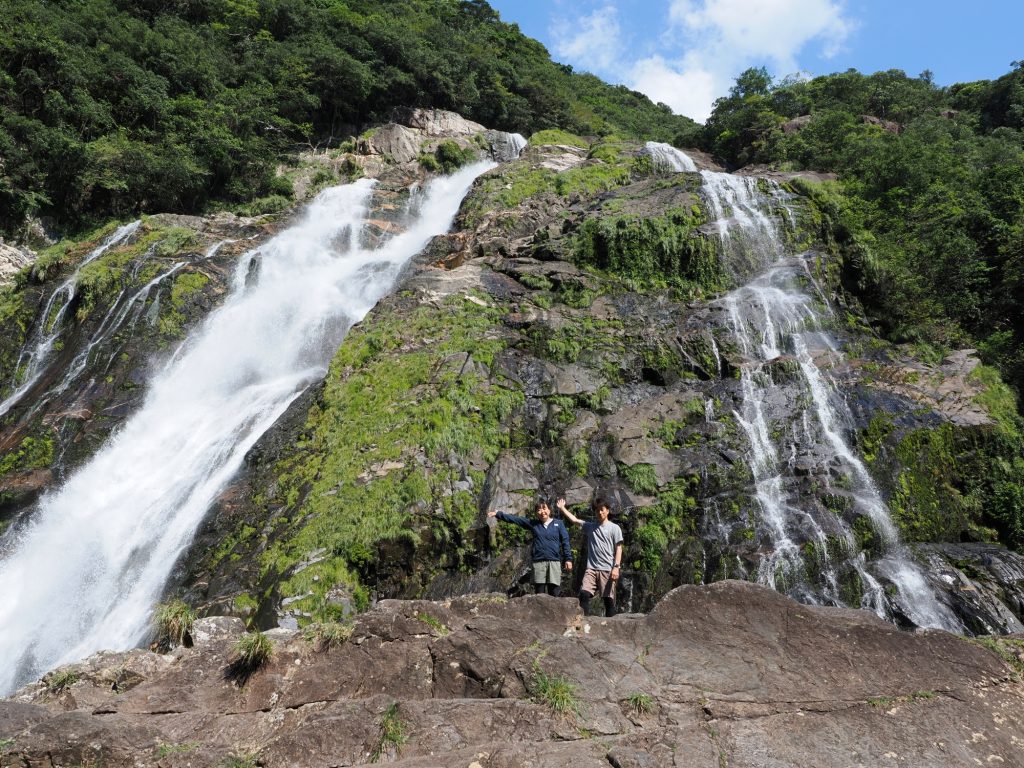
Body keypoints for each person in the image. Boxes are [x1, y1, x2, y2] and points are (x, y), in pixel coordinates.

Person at [487, 498, 573, 595]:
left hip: (554, 562)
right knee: (539, 593)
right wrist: (499, 514)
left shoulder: (559, 524)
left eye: (544, 508)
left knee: (554, 592)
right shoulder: (534, 524)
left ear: (549, 510)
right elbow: (516, 520)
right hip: (538, 562)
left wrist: (568, 559)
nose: (542, 512)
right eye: (539, 510)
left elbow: (565, 541)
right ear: (536, 513)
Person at [557, 496, 623, 617]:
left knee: (608, 600)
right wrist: (562, 508)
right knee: (584, 594)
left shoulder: (615, 528)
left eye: (602, 509)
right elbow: (575, 520)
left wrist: (616, 567)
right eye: (597, 510)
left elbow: (619, 548)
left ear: (607, 510)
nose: (600, 512)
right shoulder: (590, 527)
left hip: (607, 568)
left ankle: (611, 627)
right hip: (591, 568)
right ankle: (584, 623)